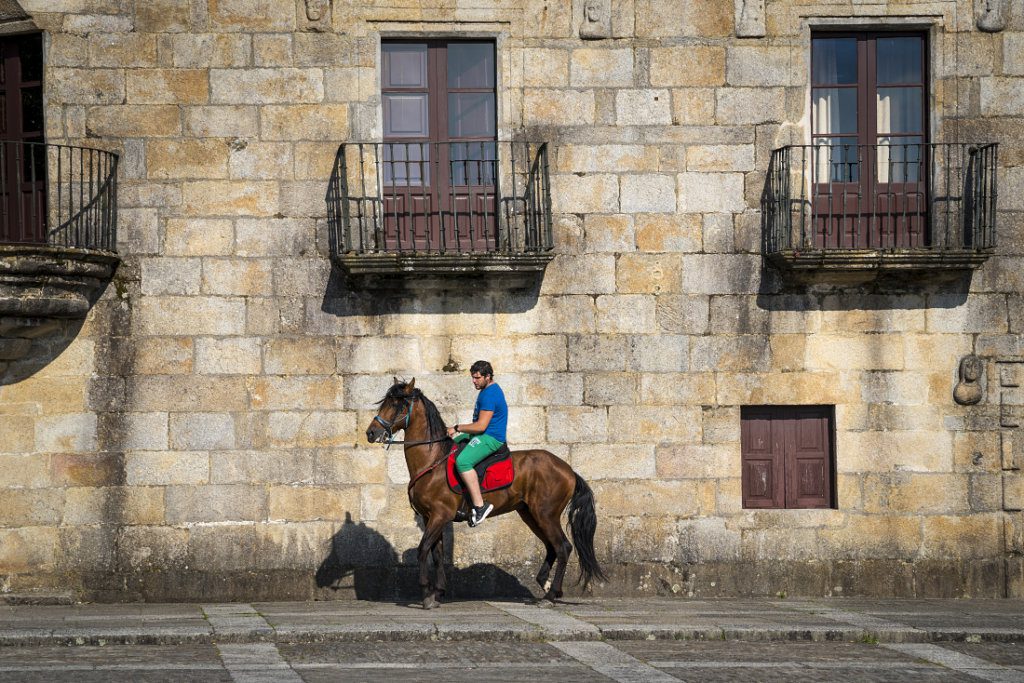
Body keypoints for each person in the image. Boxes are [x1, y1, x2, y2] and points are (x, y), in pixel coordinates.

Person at [446, 360, 507, 527]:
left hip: (491, 438)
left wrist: (457, 427)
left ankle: (480, 506)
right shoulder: (486, 389)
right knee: (448, 444)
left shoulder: (490, 394)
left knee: (463, 461)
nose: (474, 381)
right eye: (473, 377)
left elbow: (480, 426)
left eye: (477, 378)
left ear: (488, 376)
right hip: (482, 434)